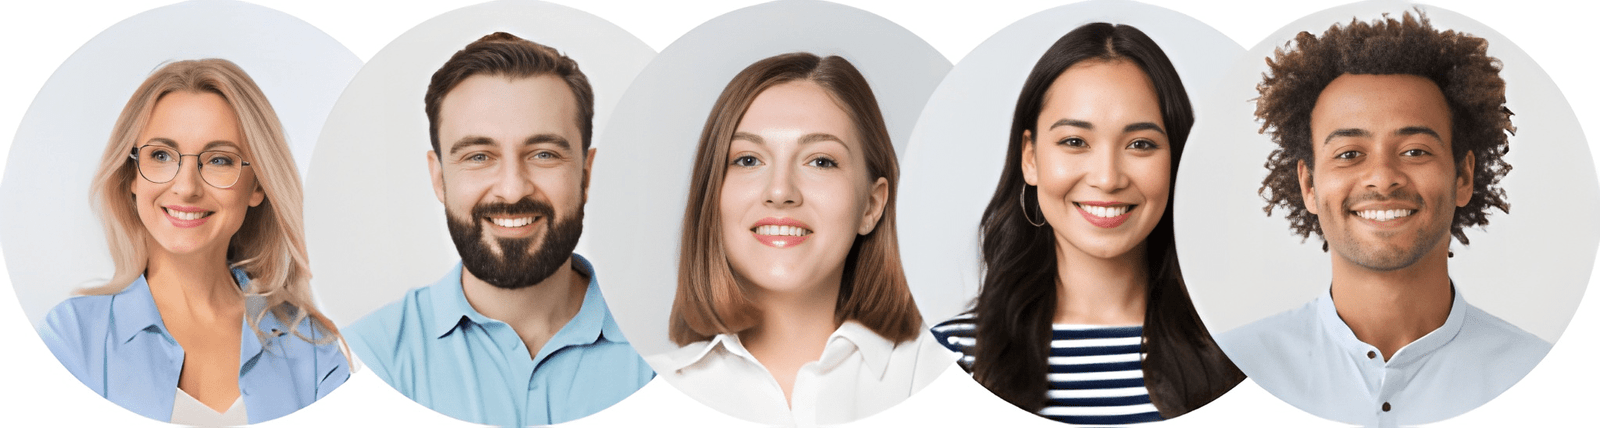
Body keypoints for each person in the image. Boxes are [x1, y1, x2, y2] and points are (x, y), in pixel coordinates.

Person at [1218, 11, 1549, 426]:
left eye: (1415, 151)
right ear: (1308, 186)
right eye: (1349, 154)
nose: (1382, 178)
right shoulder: (1230, 370)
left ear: (1463, 177)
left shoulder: (1541, 378)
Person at [928, 23, 1242, 424]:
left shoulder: (1242, 357)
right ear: (1030, 157)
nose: (1108, 178)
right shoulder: (948, 359)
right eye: (1074, 142)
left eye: (1140, 144)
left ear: (1176, 161)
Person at [344, 32, 651, 426]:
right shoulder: (365, 359)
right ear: (439, 178)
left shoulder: (670, 352)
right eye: (479, 156)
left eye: (544, 154)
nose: (512, 189)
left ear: (586, 175)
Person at [37, 59, 347, 425]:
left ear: (258, 185)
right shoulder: (72, 338)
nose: (186, 187)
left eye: (219, 160)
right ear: (132, 175)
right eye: (161, 155)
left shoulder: (313, 350)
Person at [650, 52, 953, 425]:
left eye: (821, 161)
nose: (780, 192)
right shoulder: (647, 392)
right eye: (748, 160)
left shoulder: (946, 371)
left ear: (871, 206)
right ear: (712, 198)